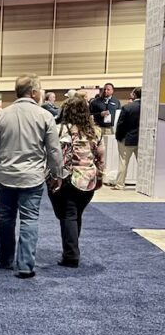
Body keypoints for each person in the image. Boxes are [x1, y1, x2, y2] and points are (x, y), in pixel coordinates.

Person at [0, 74, 63, 279]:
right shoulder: (45, 116)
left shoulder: (1, 115)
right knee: (29, 218)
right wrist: (57, 173)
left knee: (6, 217)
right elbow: (54, 150)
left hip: (5, 176)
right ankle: (25, 265)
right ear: (33, 92)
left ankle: (6, 259)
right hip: (33, 177)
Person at [47, 96, 105, 268]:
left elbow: (55, 156)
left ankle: (71, 255)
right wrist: (100, 176)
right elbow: (100, 158)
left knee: (68, 215)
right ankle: (71, 249)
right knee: (75, 214)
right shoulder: (95, 131)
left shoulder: (60, 130)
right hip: (88, 181)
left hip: (67, 179)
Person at [113, 87, 141, 190]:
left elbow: (121, 124)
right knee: (142, 164)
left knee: (123, 162)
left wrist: (118, 137)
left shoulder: (127, 107)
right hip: (141, 140)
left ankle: (120, 184)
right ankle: (143, 185)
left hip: (127, 139)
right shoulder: (148, 108)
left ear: (134, 95)